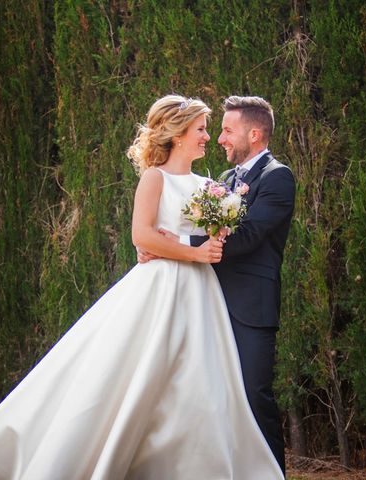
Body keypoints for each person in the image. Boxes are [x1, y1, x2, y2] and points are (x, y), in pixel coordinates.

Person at [0, 95, 284, 480]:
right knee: (133, 372)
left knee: (199, 382)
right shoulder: (154, 178)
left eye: (209, 129)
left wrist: (186, 247)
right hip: (161, 288)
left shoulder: (209, 184)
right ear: (178, 134)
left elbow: (220, 235)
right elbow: (141, 237)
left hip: (202, 295)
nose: (207, 137)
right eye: (200, 129)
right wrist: (181, 251)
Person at [142, 96, 295, 473]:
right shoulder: (222, 182)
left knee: (255, 395)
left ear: (254, 134)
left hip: (250, 306)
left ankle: (272, 473)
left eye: (227, 130)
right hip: (205, 300)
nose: (220, 138)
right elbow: (198, 227)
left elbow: (248, 237)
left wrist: (174, 246)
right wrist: (159, 245)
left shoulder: (278, 177)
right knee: (211, 397)